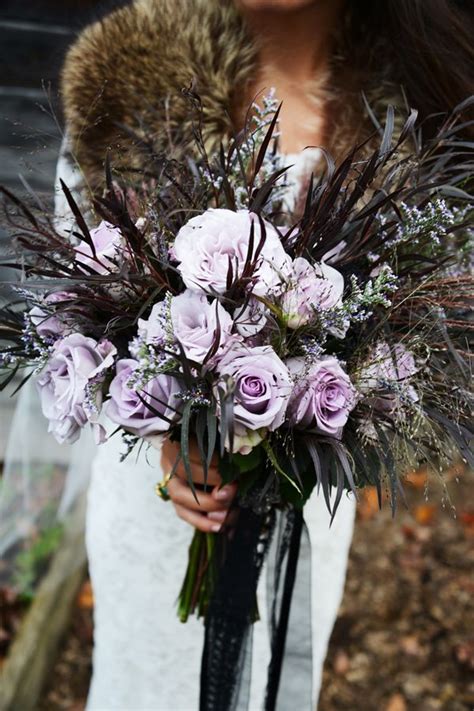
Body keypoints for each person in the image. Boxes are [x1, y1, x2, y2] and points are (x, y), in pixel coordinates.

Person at [54, 0, 473, 708]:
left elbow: (441, 357)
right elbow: (76, 303)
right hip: (158, 508)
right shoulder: (123, 75)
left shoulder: (424, 104)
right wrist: (166, 425)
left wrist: (341, 417)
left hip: (303, 516)